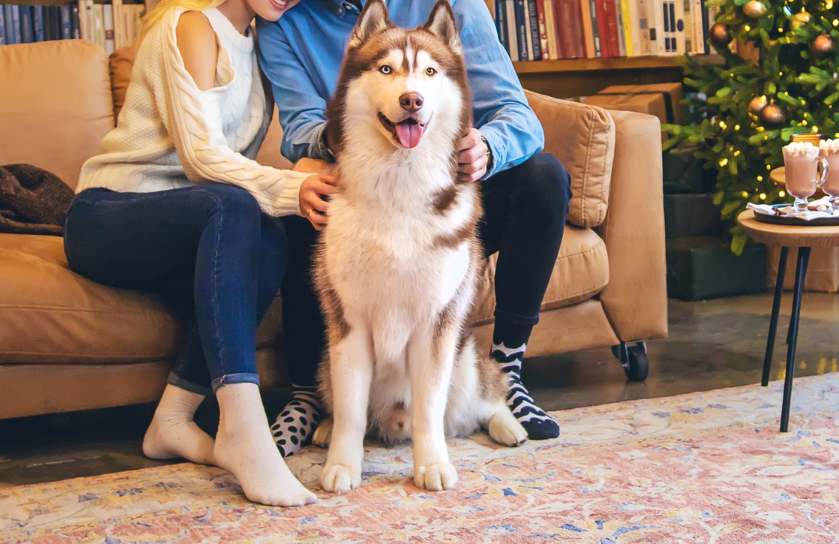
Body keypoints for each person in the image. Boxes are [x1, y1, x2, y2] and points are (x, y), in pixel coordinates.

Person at [258, 0, 570, 457]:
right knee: (306, 192)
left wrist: (486, 148)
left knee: (544, 179)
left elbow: (517, 114)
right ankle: (309, 390)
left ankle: (507, 370)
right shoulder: (284, 21)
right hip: (362, 193)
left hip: (444, 191)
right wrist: (344, 140)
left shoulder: (453, 5)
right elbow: (298, 127)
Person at [63, 0, 334, 507]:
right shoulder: (191, 25)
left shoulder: (262, 46)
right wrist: (290, 186)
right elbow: (200, 158)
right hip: (108, 217)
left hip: (191, 224)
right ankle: (242, 427)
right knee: (237, 205)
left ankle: (171, 420)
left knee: (272, 232)